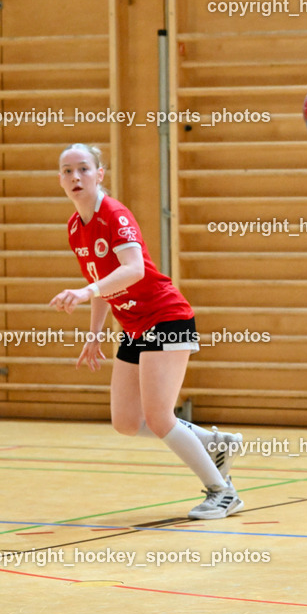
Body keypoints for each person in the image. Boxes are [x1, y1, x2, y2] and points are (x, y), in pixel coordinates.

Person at [50, 144, 244, 520]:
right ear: (60, 179)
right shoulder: (76, 227)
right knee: (126, 421)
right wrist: (94, 333)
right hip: (135, 326)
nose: (76, 177)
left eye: (83, 169)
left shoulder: (114, 214)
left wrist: (87, 290)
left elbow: (134, 268)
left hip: (165, 317)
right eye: (67, 171)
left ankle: (222, 492)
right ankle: (215, 443)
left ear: (99, 174)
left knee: (158, 417)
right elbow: (103, 282)